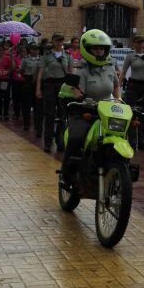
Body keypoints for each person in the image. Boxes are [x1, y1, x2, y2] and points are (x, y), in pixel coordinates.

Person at [61, 30, 120, 179]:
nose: (99, 51)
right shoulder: (82, 70)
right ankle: (66, 173)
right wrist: (81, 98)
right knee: (76, 137)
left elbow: (116, 86)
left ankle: (120, 167)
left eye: (101, 48)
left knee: (125, 131)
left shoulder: (109, 67)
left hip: (108, 111)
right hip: (86, 110)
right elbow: (76, 89)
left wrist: (118, 99)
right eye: (95, 48)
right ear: (87, 49)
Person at [36, 32, 72, 152]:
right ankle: (48, 142)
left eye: (61, 40)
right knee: (50, 114)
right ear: (53, 41)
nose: (59, 42)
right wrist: (38, 88)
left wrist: (72, 89)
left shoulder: (67, 55)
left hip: (63, 85)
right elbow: (41, 72)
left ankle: (60, 140)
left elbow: (70, 73)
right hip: (50, 85)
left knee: (62, 115)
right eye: (57, 40)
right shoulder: (47, 56)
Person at [121, 34, 144, 151]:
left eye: (142, 42)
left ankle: (142, 142)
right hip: (133, 86)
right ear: (134, 43)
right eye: (138, 42)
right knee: (132, 113)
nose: (140, 44)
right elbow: (123, 71)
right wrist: (118, 85)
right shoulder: (130, 56)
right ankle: (132, 141)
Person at [20, 42, 42, 133]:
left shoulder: (41, 59)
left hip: (38, 82)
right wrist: (27, 78)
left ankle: (37, 125)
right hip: (28, 81)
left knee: (38, 105)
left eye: (36, 49)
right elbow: (22, 70)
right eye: (33, 49)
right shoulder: (25, 59)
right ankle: (26, 124)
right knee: (26, 104)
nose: (35, 51)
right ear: (30, 50)